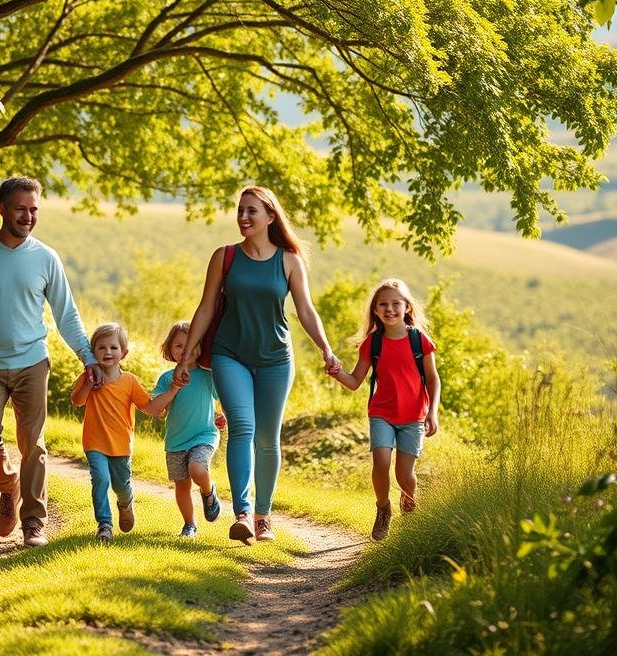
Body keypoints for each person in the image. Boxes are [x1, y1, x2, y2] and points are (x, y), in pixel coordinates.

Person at [0, 177, 102, 548]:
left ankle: (33, 522)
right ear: (1, 210)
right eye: (20, 209)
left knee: (33, 443)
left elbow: (67, 315)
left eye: (33, 210)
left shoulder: (46, 257)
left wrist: (88, 357)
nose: (28, 216)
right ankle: (7, 484)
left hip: (32, 362)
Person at [177, 185, 340, 543]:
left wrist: (326, 350)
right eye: (240, 210)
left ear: (270, 217)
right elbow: (205, 308)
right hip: (229, 354)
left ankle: (265, 516)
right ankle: (244, 514)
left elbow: (306, 311)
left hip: (275, 360)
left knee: (267, 439)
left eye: (252, 211)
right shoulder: (225, 257)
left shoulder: (289, 261)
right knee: (242, 427)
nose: (244, 217)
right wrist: (187, 356)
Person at [327, 278, 441, 541]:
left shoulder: (419, 340)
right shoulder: (373, 343)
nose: (389, 309)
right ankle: (383, 509)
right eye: (383, 305)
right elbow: (355, 381)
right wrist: (337, 372)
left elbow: (433, 379)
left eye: (395, 304)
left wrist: (432, 412)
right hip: (382, 413)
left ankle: (409, 503)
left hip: (414, 416)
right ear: (375, 311)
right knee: (381, 461)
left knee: (405, 475)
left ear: (407, 307)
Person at [70, 322, 159, 541]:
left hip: (121, 445)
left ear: (123, 353)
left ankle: (125, 502)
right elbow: (77, 401)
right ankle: (104, 525)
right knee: (100, 478)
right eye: (101, 348)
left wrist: (167, 399)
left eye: (113, 347)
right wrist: (90, 383)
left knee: (121, 484)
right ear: (93, 352)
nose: (107, 352)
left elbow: (147, 406)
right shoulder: (88, 376)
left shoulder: (129, 381)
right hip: (94, 442)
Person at [150, 321, 227, 538]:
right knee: (182, 486)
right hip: (176, 440)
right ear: (170, 350)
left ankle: (208, 491)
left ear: (201, 346)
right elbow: (155, 409)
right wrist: (173, 389)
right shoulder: (166, 379)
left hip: (204, 434)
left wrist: (222, 416)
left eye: (192, 344)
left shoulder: (207, 376)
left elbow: (224, 400)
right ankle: (189, 525)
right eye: (179, 346)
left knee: (197, 470)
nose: (186, 350)